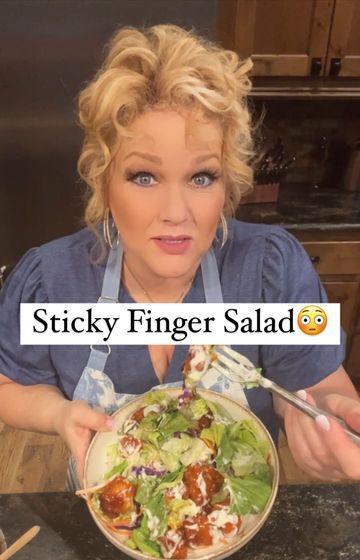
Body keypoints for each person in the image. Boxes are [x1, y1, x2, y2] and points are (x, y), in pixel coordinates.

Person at [0, 24, 359, 489]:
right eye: (144, 176)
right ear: (104, 183)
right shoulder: (49, 281)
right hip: (108, 524)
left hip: (230, 525)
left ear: (227, 184)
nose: (176, 214)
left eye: (202, 177)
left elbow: (321, 384)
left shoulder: (273, 268)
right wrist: (59, 412)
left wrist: (324, 413)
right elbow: (7, 386)